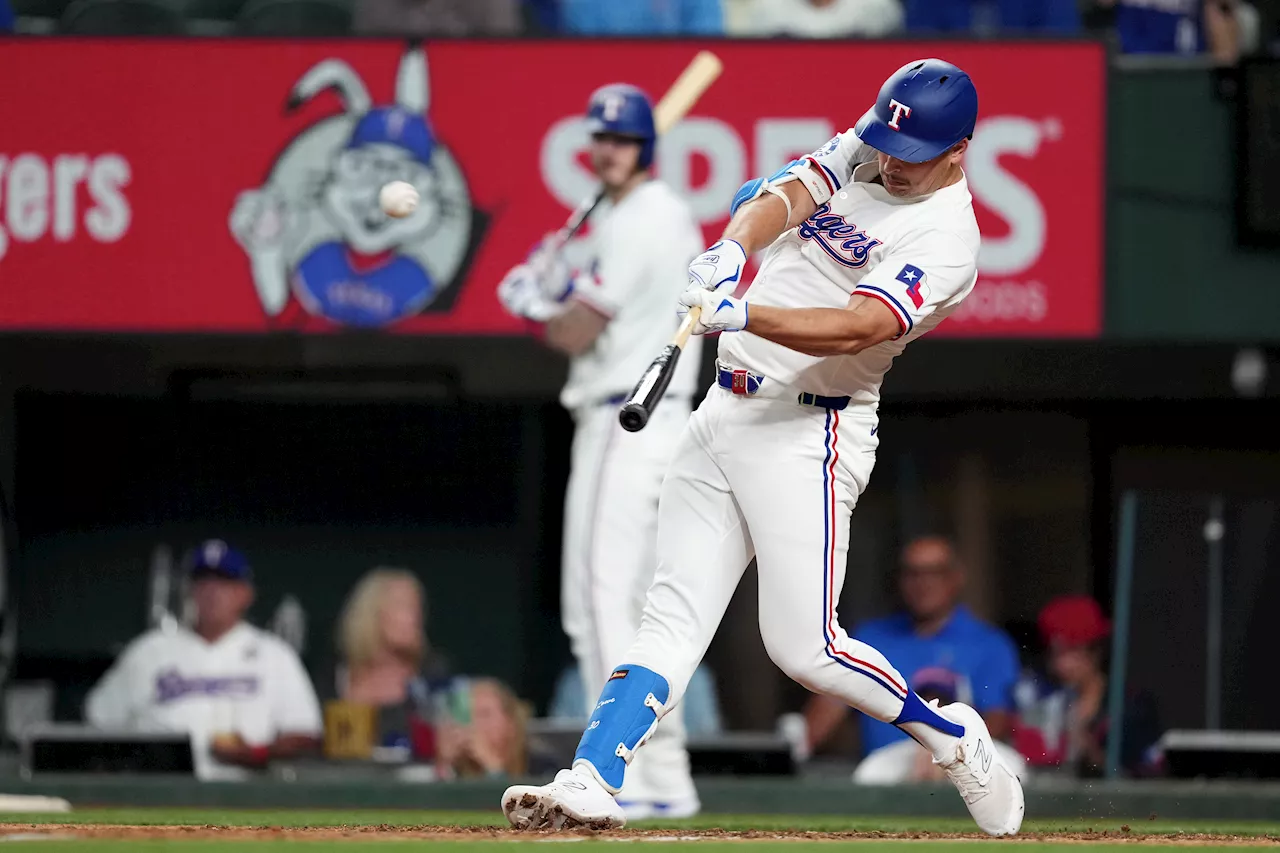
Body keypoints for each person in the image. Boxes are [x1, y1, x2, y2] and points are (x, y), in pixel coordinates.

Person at [500, 58, 1024, 836]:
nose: (886, 161)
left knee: (805, 647)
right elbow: (787, 193)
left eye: (907, 156)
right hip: (724, 410)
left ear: (958, 151)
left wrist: (743, 312)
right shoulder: (874, 144)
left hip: (810, 429)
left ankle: (952, 736)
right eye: (882, 143)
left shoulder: (949, 237)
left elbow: (859, 324)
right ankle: (594, 774)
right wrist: (734, 251)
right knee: (668, 612)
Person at [496, 83, 706, 820]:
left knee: (596, 603)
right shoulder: (644, 214)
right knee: (639, 607)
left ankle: (612, 772)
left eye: (621, 139)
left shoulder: (641, 217)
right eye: (600, 138)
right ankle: (665, 775)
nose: (608, 149)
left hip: (628, 415)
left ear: (645, 145)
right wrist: (557, 289)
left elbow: (576, 332)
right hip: (654, 419)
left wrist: (534, 303)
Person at [84, 540, 323, 780]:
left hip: (250, 793)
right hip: (160, 792)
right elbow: (98, 725)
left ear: (246, 593)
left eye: (224, 582)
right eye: (202, 581)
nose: (212, 591)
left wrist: (255, 753)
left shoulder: (275, 655)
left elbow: (306, 736)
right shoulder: (148, 651)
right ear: (190, 590)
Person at [803, 535, 1020, 759]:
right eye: (912, 573)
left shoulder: (988, 644)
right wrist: (793, 752)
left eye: (934, 572)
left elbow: (998, 721)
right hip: (881, 779)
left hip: (954, 774)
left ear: (956, 578)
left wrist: (950, 752)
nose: (922, 583)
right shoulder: (871, 638)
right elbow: (828, 709)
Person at [1013, 595, 1162, 778]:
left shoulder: (1132, 706)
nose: (1061, 664)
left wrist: (1089, 750)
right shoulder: (1040, 699)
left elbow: (1148, 777)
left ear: (1096, 651)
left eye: (1071, 652)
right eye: (1054, 654)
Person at [329, 568, 451, 758]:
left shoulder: (433, 675)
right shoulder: (335, 676)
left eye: (418, 608)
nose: (415, 618)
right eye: (403, 607)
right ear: (370, 614)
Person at [853, 667, 1028, 785]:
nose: (932, 712)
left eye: (942, 703)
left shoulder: (999, 759)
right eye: (924, 703)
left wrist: (956, 772)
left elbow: (1019, 779)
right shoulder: (886, 761)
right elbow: (865, 779)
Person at [548, 661, 724, 737]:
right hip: (597, 775)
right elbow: (562, 737)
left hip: (665, 771)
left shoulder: (692, 676)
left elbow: (706, 738)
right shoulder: (577, 678)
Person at [435, 677, 561, 780]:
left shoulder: (540, 765)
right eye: (469, 716)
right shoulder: (461, 764)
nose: (474, 724)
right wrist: (445, 764)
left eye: (484, 714)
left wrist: (493, 768)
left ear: (510, 722)